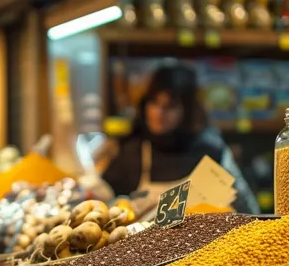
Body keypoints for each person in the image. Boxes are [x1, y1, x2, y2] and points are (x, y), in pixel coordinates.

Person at [102, 61, 260, 214]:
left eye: (170, 106)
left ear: (187, 111)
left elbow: (247, 211)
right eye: (154, 103)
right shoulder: (131, 153)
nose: (159, 113)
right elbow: (105, 204)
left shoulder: (212, 154)